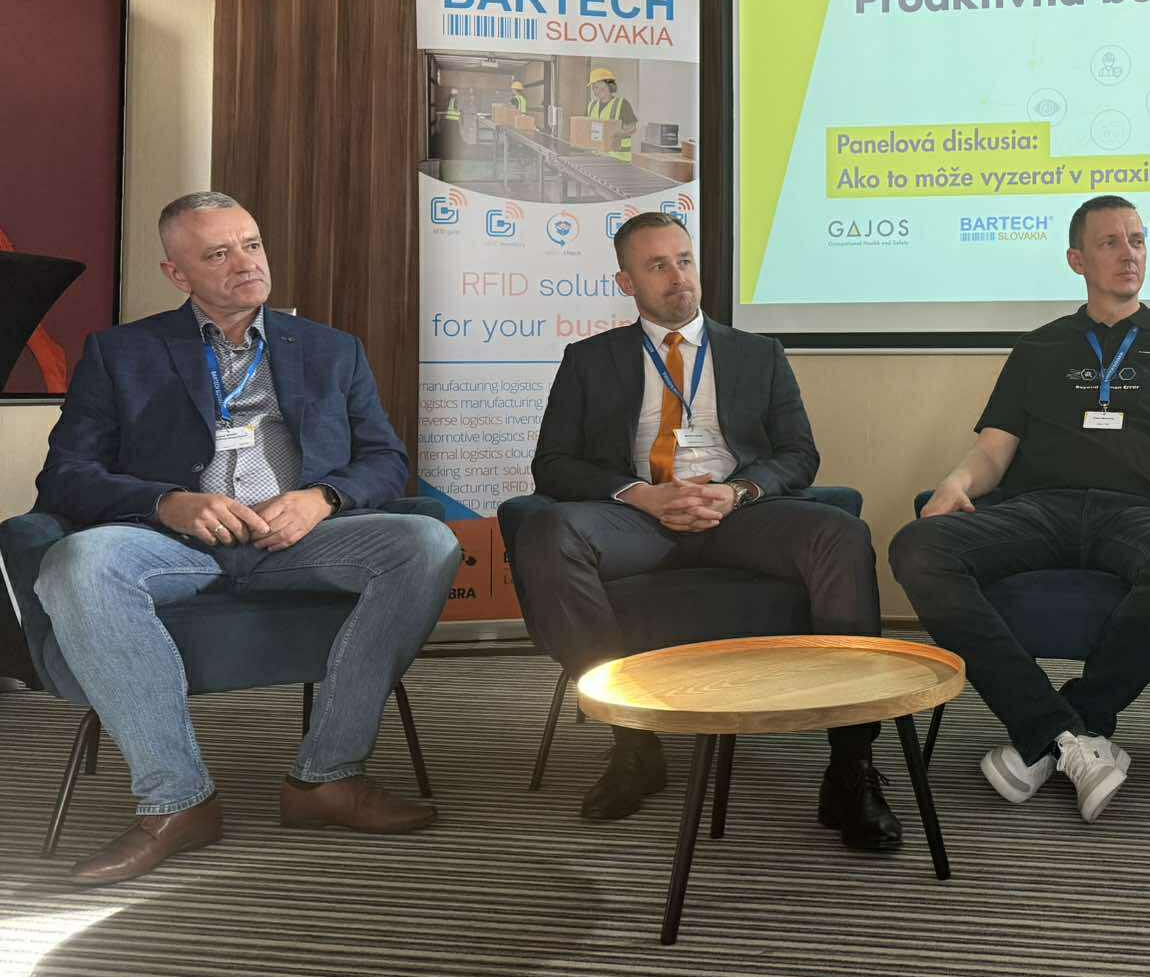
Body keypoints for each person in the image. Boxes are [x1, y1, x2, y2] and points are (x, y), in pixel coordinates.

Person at [32, 192, 459, 887]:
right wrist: (167, 502)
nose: (246, 264)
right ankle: (177, 801)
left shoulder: (330, 349)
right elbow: (65, 475)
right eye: (218, 254)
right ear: (177, 273)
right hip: (175, 545)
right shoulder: (122, 353)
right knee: (77, 561)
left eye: (251, 245)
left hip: (299, 541)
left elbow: (385, 460)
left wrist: (322, 499)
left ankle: (327, 776)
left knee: (425, 543)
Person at [512, 211, 899, 849]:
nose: (678, 277)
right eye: (657, 266)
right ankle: (633, 742)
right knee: (549, 532)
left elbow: (799, 454)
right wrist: (642, 495)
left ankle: (850, 764)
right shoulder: (589, 360)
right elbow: (552, 463)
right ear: (626, 282)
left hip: (737, 513)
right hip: (639, 518)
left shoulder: (758, 354)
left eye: (684, 260)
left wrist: (736, 491)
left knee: (841, 535)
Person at [889, 195, 1150, 823]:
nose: (1129, 254)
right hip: (1039, 510)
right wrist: (955, 481)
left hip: (1139, 515)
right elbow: (992, 452)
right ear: (1077, 260)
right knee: (918, 546)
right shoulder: (1038, 348)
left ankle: (1059, 730)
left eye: (1137, 240)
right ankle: (1062, 732)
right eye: (1110, 242)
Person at [584, 66, 636, 163]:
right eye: (593, 87)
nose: (595, 91)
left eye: (598, 87)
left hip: (619, 159)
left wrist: (619, 135)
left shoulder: (622, 104)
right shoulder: (592, 105)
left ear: (609, 86)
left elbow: (632, 128)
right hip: (597, 157)